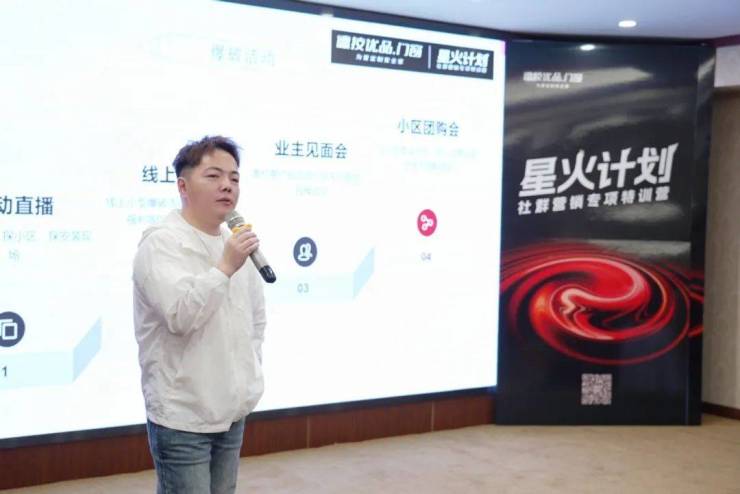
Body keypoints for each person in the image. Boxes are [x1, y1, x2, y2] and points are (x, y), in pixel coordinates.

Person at [133, 135, 266, 494]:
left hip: (231, 411)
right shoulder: (161, 243)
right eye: (214, 176)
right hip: (183, 417)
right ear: (183, 186)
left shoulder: (235, 242)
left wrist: (248, 377)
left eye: (234, 178)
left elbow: (254, 322)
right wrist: (224, 267)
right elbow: (180, 316)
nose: (227, 185)